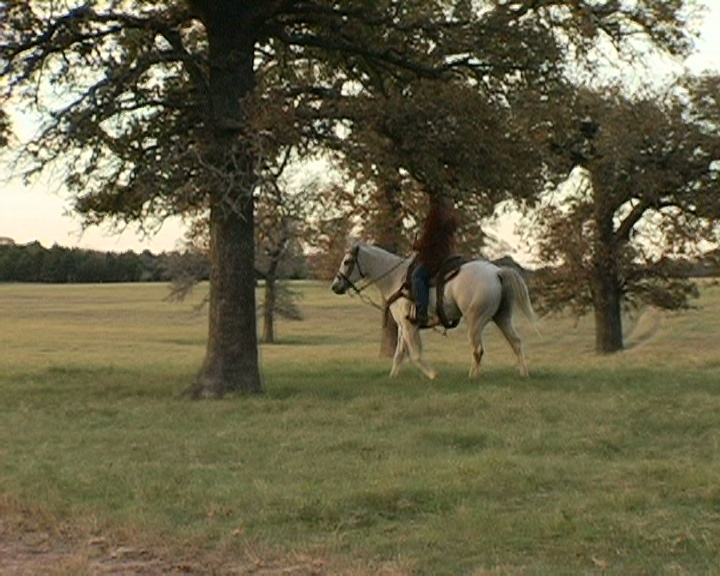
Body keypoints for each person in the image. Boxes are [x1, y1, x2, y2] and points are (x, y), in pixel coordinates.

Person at [411, 195, 460, 327]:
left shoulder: (435, 214)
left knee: (417, 276)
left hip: (437, 257)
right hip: (450, 255)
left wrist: (417, 246)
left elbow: (429, 237)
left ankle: (422, 313)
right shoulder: (449, 214)